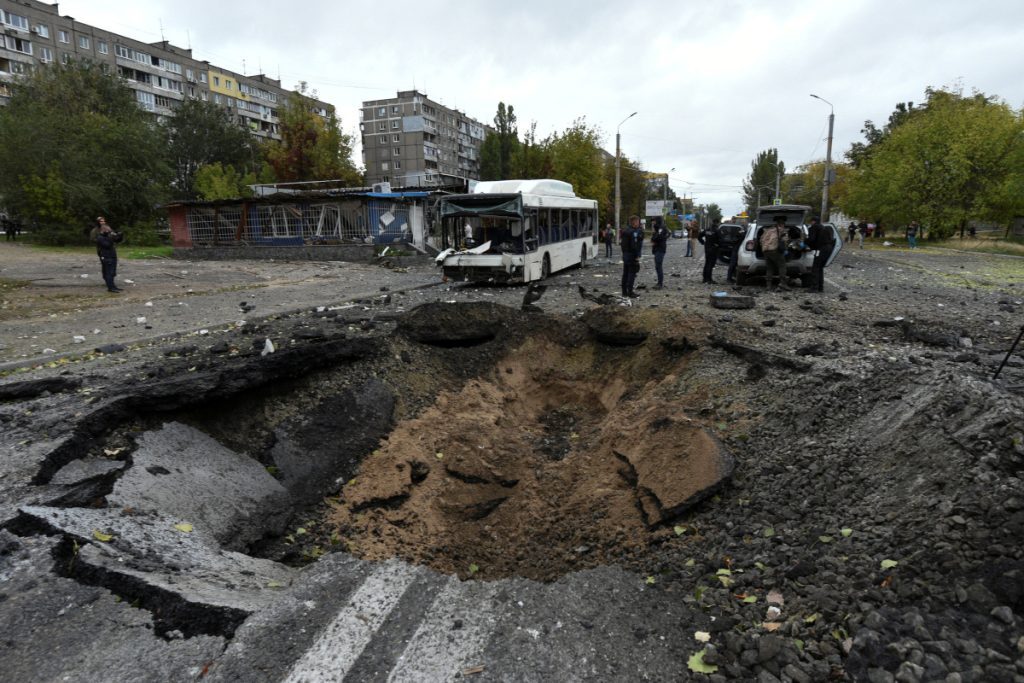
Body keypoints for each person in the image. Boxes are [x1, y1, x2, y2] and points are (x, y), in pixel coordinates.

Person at [93, 216, 124, 293]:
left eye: (103, 221)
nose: (103, 223)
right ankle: (110, 286)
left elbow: (116, 240)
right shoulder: (97, 234)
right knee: (108, 271)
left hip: (111, 254)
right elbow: (105, 244)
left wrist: (119, 236)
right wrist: (110, 238)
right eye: (101, 221)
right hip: (105, 254)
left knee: (112, 271)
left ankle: (112, 286)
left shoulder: (107, 232)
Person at [760, 215, 790, 291]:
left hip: (765, 251)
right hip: (775, 251)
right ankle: (782, 284)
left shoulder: (768, 230)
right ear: (782, 224)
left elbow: (761, 240)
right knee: (782, 266)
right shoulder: (782, 230)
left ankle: (768, 285)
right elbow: (785, 242)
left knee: (769, 268)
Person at [806, 215, 832, 292]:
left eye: (811, 222)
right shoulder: (823, 227)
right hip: (828, 249)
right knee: (820, 268)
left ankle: (814, 288)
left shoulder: (814, 227)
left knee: (815, 268)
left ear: (813, 221)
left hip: (820, 250)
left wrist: (805, 243)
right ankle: (820, 287)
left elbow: (811, 239)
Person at [619, 214, 643, 297]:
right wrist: (637, 255)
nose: (639, 223)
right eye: (638, 222)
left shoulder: (625, 231)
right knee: (632, 274)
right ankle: (630, 292)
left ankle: (624, 292)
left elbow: (622, 244)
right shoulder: (633, 232)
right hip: (632, 255)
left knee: (625, 273)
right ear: (635, 222)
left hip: (625, 255)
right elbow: (634, 245)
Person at [650, 217, 669, 289]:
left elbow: (659, 237)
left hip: (660, 249)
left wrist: (654, 240)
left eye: (654, 221)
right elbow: (655, 236)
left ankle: (660, 283)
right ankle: (659, 282)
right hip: (657, 248)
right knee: (657, 266)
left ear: (657, 221)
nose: (653, 223)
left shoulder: (661, 228)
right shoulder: (657, 228)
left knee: (658, 266)